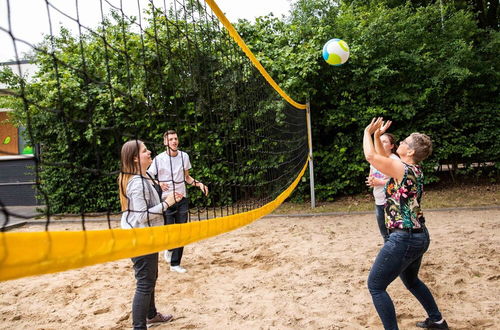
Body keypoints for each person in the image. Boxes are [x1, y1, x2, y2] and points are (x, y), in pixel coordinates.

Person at [363, 118, 448, 330]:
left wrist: (366, 132)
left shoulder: (401, 168)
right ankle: (437, 320)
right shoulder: (412, 168)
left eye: (405, 142)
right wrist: (376, 136)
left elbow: (371, 156)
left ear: (409, 152)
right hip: (419, 235)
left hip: (404, 237)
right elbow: (383, 157)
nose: (400, 142)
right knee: (411, 281)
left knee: (375, 286)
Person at [118, 139, 183, 330]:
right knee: (145, 283)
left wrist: (164, 197)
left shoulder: (144, 176)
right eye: (145, 151)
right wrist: (167, 203)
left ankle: (151, 314)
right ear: (136, 158)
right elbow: (142, 216)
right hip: (139, 238)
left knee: (150, 277)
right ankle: (139, 326)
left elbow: (146, 203)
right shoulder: (137, 182)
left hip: (147, 236)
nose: (149, 152)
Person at [148, 130, 209, 273]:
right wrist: (158, 183)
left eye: (175, 139)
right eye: (170, 139)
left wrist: (199, 184)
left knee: (182, 232)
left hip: (182, 199)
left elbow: (187, 177)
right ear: (165, 142)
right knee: (170, 232)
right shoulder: (158, 159)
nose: (174, 141)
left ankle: (175, 264)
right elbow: (148, 176)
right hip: (167, 200)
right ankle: (169, 249)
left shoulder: (184, 156)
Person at [366, 132, 399, 242]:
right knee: (384, 233)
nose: (381, 143)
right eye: (379, 141)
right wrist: (371, 180)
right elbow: (371, 175)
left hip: (391, 202)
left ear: (391, 146)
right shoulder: (375, 159)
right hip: (379, 200)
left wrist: (379, 182)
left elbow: (398, 181)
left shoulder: (394, 159)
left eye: (385, 141)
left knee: (394, 233)